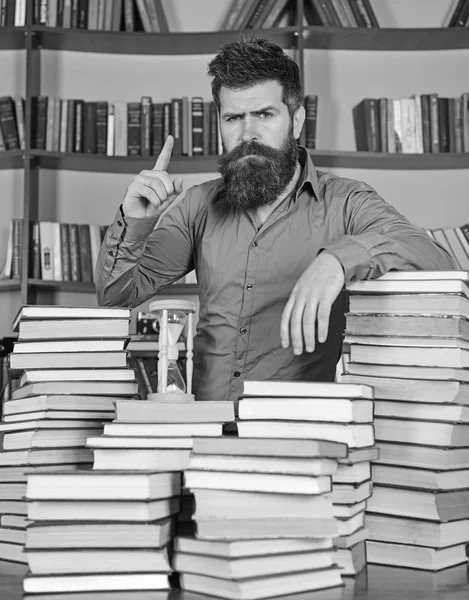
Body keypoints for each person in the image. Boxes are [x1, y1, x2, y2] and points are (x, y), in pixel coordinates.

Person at [95, 37, 454, 403]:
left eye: (265, 115)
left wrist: (338, 260)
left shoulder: (346, 202)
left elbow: (435, 258)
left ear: (296, 119)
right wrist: (135, 220)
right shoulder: (198, 206)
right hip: (207, 432)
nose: (248, 134)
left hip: (299, 436)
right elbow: (114, 298)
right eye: (233, 118)